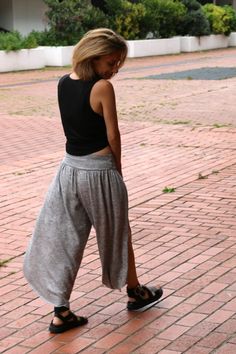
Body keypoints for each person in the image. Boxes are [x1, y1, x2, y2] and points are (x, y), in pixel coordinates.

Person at [23, 28, 163, 334]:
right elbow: (113, 134)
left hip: (68, 170)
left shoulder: (63, 82)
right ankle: (135, 292)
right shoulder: (102, 88)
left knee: (63, 238)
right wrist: (118, 171)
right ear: (94, 55)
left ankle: (61, 312)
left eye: (117, 64)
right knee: (117, 231)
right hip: (99, 171)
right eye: (111, 62)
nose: (114, 70)